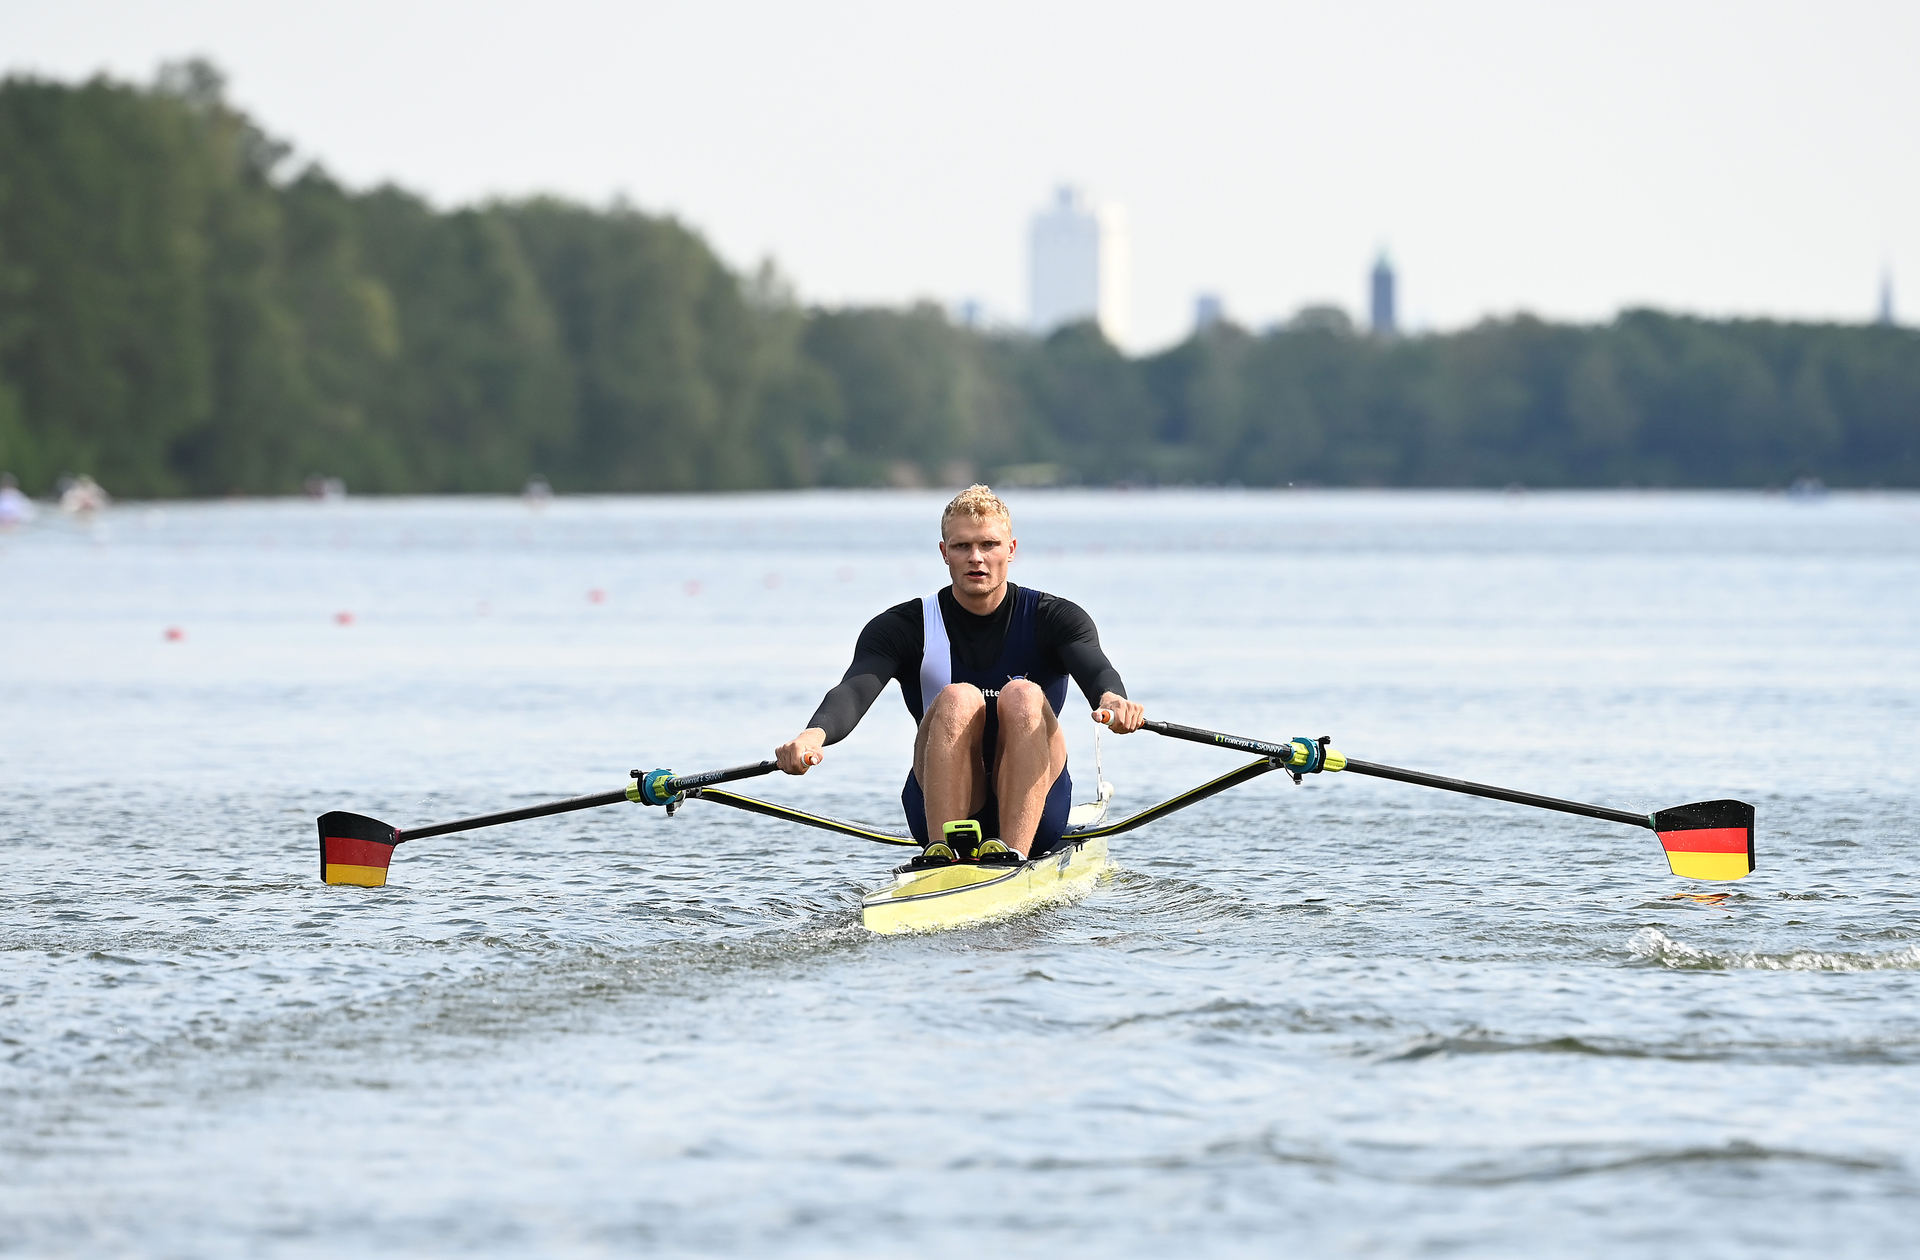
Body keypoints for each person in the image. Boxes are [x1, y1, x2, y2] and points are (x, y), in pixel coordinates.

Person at [776, 485, 1144, 860]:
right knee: (958, 697)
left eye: (989, 545)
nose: (976, 558)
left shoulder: (1055, 618)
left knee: (1022, 694)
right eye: (962, 546)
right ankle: (942, 857)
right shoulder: (904, 627)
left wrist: (1112, 698)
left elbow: (1096, 668)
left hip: (1039, 814)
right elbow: (853, 691)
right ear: (944, 553)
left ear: (1011, 550)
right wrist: (811, 736)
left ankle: (1012, 855)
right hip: (935, 805)